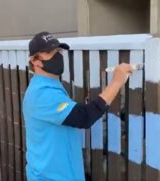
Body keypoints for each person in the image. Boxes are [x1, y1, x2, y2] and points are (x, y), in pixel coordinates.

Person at [23, 32, 133, 181]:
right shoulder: (42, 93)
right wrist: (117, 82)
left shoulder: (49, 85)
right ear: (35, 61)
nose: (57, 56)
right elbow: (84, 118)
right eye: (50, 53)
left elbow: (67, 116)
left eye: (58, 52)